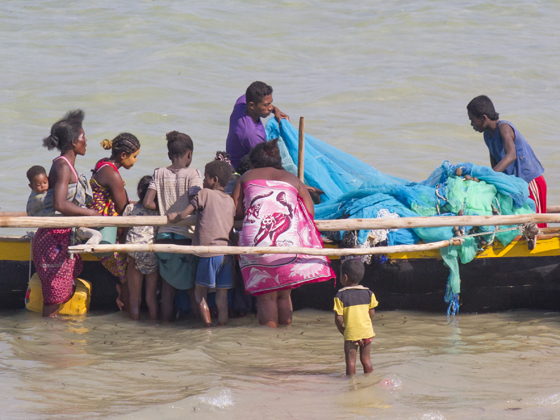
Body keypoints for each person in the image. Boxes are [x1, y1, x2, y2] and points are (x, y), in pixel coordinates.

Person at [232, 139, 335, 327]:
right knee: (285, 293)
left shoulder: (246, 177)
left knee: (266, 295)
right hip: (288, 242)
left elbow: (236, 211)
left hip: (257, 242)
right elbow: (309, 212)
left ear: (254, 162)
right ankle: (286, 335)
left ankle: (270, 340)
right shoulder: (293, 179)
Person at [28, 110, 100, 317]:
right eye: (83, 137)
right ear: (73, 142)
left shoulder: (67, 165)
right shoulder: (62, 166)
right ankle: (49, 334)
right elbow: (59, 204)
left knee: (60, 295)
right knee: (53, 301)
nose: (86, 141)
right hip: (53, 239)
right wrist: (89, 213)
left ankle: (53, 334)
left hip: (61, 237)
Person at [143, 131, 203, 322]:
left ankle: (164, 327)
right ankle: (198, 328)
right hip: (185, 238)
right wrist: (181, 213)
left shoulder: (158, 173)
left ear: (169, 154)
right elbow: (196, 200)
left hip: (164, 237)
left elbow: (147, 202)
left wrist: (164, 209)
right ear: (189, 154)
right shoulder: (193, 174)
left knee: (168, 289)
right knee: (193, 289)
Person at [168, 160, 236, 327]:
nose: (203, 182)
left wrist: (173, 217)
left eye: (205, 178)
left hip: (208, 252)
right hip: (226, 253)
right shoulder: (230, 200)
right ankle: (222, 325)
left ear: (214, 179)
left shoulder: (204, 194)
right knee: (222, 296)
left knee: (199, 293)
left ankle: (207, 328)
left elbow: (184, 214)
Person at [467, 95, 547, 227]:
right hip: (517, 186)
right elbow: (496, 167)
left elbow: (511, 155)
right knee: (522, 224)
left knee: (536, 224)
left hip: (530, 181)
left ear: (484, 118)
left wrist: (488, 176)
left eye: (472, 120)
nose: (471, 124)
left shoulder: (504, 128)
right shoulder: (487, 136)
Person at [87, 133, 141, 310]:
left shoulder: (103, 163)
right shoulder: (112, 174)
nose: (135, 161)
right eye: (134, 157)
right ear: (123, 155)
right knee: (125, 266)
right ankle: (125, 302)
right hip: (104, 227)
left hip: (96, 221)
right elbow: (123, 208)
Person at [225, 81, 289, 170]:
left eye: (270, 103)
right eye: (266, 105)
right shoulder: (253, 135)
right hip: (242, 171)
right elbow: (265, 165)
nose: (270, 107)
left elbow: (252, 97)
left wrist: (276, 111)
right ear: (252, 105)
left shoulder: (241, 103)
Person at [123, 175, 159, 321]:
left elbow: (125, 232)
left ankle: (134, 327)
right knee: (151, 298)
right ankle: (155, 324)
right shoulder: (159, 211)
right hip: (152, 254)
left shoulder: (130, 208)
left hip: (135, 254)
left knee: (135, 298)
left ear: (138, 192)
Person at [333, 259, 378, 376]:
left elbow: (338, 318)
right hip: (367, 332)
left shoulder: (340, 296)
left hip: (351, 333)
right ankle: (369, 381)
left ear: (345, 277)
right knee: (366, 359)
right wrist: (365, 323)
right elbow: (372, 313)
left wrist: (341, 329)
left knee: (351, 362)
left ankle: (351, 384)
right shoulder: (369, 293)